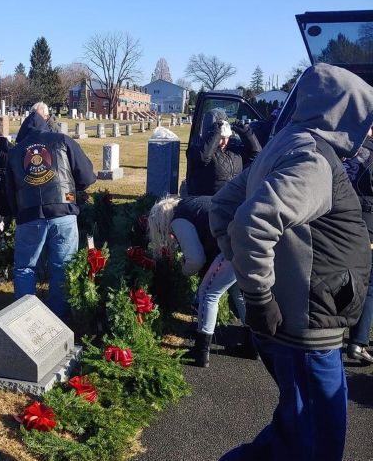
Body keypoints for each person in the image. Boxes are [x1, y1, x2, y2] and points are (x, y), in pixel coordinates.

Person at [210, 63, 373, 461]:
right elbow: (251, 223)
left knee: (291, 438)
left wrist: (252, 278)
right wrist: (260, 295)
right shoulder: (314, 159)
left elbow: (223, 207)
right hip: (305, 332)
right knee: (316, 445)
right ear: (343, 112)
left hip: (298, 321)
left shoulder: (285, 143)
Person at [5, 117, 96, 318]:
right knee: (62, 268)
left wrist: (16, 214)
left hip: (29, 214)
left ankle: (25, 318)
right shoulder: (63, 141)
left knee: (25, 268)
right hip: (63, 211)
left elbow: (10, 192)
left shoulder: (15, 152)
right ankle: (59, 319)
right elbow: (87, 177)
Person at [148, 195, 251, 367]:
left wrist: (183, 269)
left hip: (232, 246)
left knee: (208, 293)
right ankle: (252, 345)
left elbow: (196, 260)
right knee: (236, 291)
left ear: (161, 222)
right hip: (248, 239)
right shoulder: (192, 203)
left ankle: (201, 351)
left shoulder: (178, 218)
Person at [342, 129, 373, 364]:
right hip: (368, 222)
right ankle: (358, 341)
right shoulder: (369, 154)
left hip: (343, 219)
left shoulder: (346, 150)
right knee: (369, 284)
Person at [186, 108, 261, 196]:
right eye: (221, 138)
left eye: (227, 137)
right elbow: (203, 158)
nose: (225, 142)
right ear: (212, 135)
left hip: (233, 201)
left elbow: (257, 156)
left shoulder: (233, 150)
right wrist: (217, 132)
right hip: (210, 202)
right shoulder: (196, 150)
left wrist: (247, 134)